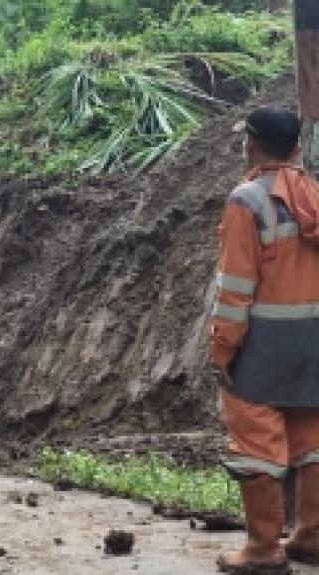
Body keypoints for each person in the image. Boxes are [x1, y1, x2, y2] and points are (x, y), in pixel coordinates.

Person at [211, 107, 319, 574]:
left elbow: (236, 288)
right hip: (314, 342)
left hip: (263, 344)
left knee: (255, 440)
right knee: (312, 437)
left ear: (251, 144)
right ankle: (313, 536)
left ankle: (263, 550)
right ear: (295, 148)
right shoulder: (314, 194)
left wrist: (222, 348)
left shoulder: (247, 201)